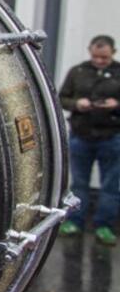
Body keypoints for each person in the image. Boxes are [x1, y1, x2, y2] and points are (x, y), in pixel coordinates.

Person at [59, 34, 120, 246]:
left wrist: (116, 105)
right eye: (96, 56)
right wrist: (77, 104)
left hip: (112, 137)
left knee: (110, 185)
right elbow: (62, 98)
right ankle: (75, 222)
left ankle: (104, 226)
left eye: (104, 57)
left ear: (113, 53)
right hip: (81, 136)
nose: (99, 61)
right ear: (90, 51)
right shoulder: (77, 72)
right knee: (79, 183)